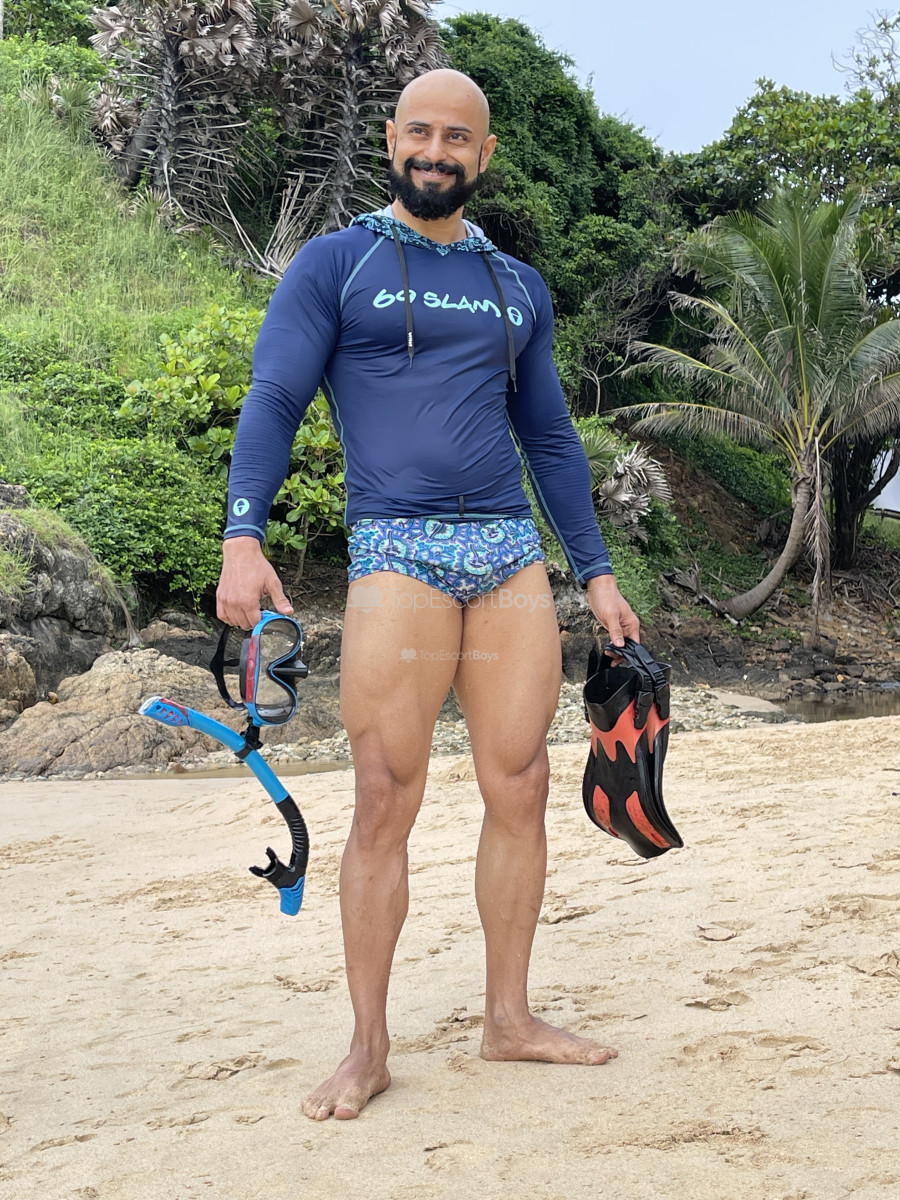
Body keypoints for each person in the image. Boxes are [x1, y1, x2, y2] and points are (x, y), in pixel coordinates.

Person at [217, 68, 640, 1121]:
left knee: (521, 782)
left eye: (458, 137)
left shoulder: (516, 286)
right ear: (391, 139)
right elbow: (275, 396)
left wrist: (594, 569)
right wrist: (243, 533)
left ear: (483, 155)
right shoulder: (338, 263)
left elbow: (549, 438)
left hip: (506, 554)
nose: (437, 152)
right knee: (383, 795)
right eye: (421, 132)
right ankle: (367, 1047)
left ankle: (509, 1018)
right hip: (398, 550)